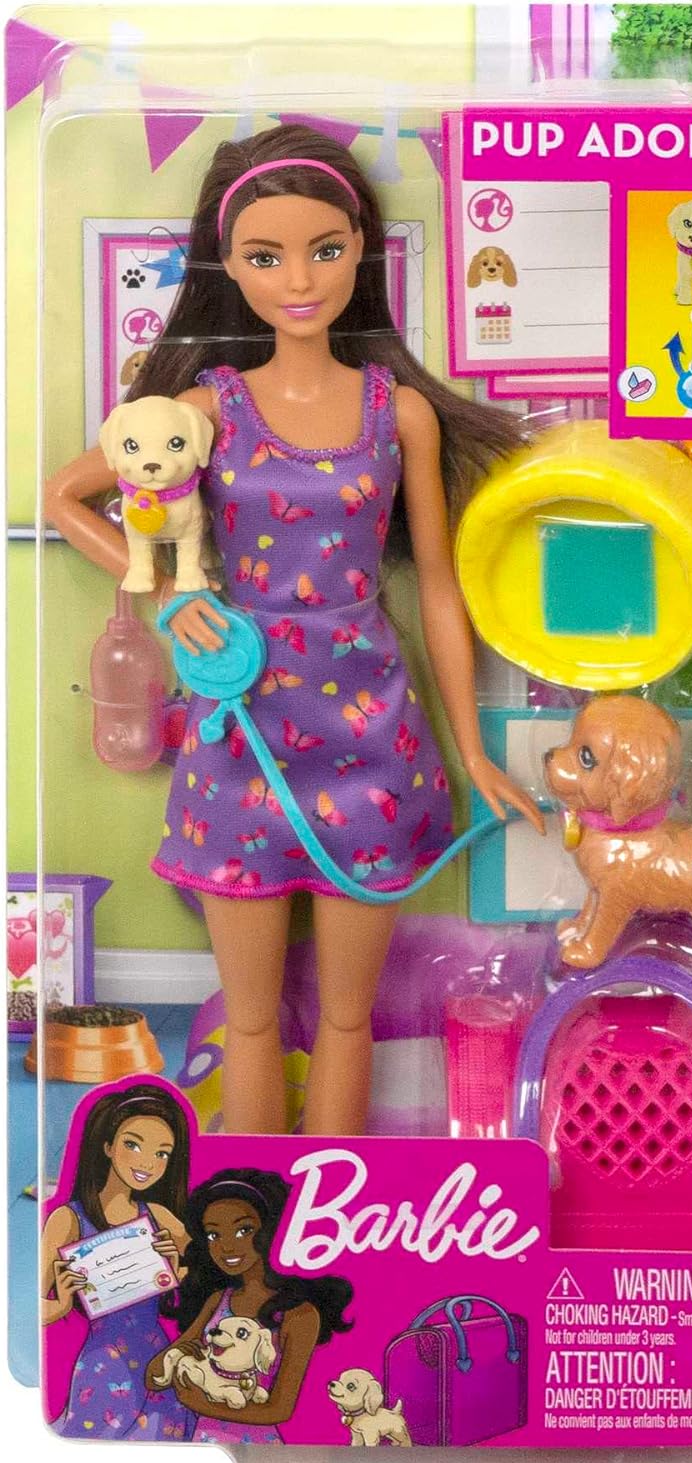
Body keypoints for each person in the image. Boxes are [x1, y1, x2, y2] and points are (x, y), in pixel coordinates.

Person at [45, 123, 544, 1136]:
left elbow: (438, 587)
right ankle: (251, 1206)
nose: (300, 280)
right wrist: (172, 592)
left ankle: (335, 1207)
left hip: (375, 734)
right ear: (227, 266)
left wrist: (470, 749)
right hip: (243, 726)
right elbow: (66, 495)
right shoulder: (207, 410)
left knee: (350, 1018)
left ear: (360, 249)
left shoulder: (399, 413)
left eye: (323, 248)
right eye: (265, 256)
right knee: (254, 1018)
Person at [147, 1169, 352, 1443]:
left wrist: (200, 1403)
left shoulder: (298, 1314)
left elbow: (279, 1409)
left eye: (243, 1230)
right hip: (204, 1444)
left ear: (270, 1229)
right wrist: (179, 1353)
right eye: (213, 1235)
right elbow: (153, 1376)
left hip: (260, 1448)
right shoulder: (219, 1300)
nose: (227, 1246)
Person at [41, 1085, 192, 1440]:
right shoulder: (69, 1219)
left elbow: (205, 1277)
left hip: (156, 1358)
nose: (147, 1163)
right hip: (104, 1362)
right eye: (133, 1145)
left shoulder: (158, 1216)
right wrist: (60, 1304)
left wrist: (177, 1269)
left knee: (165, 1443)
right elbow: (23, 1309)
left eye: (162, 1154)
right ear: (107, 1146)